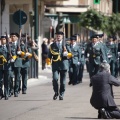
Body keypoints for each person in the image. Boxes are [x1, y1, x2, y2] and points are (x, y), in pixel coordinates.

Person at [47, 31, 69, 100]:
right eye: (57, 36)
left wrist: (67, 54)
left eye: (59, 36)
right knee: (55, 79)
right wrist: (48, 63)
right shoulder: (52, 45)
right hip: (55, 65)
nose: (58, 37)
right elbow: (49, 55)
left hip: (63, 65)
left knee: (63, 82)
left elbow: (71, 54)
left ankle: (61, 94)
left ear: (62, 37)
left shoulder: (66, 44)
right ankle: (56, 92)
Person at [0, 36, 11, 100]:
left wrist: (11, 57)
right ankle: (1, 94)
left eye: (4, 39)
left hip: (7, 66)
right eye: (1, 39)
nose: (2, 40)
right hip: (0, 66)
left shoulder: (9, 47)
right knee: (0, 81)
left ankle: (6, 93)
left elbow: (14, 55)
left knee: (6, 81)